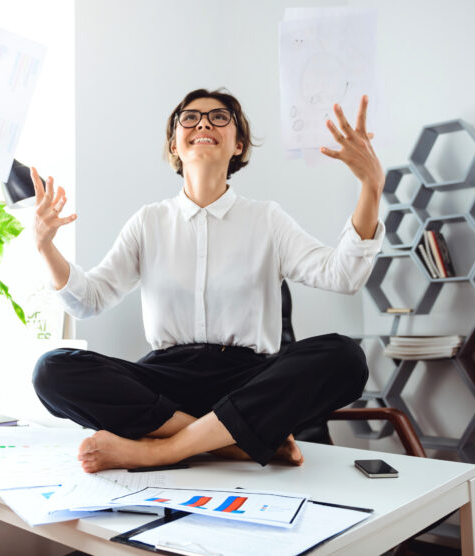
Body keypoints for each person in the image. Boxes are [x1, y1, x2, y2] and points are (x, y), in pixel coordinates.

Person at [29, 88, 385, 473]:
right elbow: (89, 299)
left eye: (219, 117)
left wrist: (371, 187)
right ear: (175, 146)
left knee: (346, 357)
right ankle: (232, 445)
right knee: (52, 370)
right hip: (166, 385)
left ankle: (162, 450)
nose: (202, 122)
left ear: (238, 145)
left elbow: (344, 274)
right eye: (190, 117)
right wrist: (45, 246)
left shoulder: (267, 219)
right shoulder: (148, 222)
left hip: (248, 382)